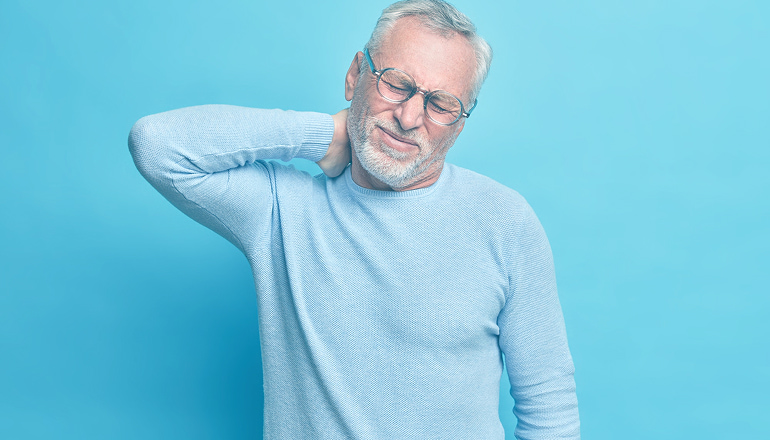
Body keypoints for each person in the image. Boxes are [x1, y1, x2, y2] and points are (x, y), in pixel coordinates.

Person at [128, 0, 580, 438]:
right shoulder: (283, 210)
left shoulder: (504, 220)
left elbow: (549, 407)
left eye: (441, 105)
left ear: (459, 124)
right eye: (396, 83)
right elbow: (158, 145)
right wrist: (322, 134)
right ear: (354, 76)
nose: (408, 117)